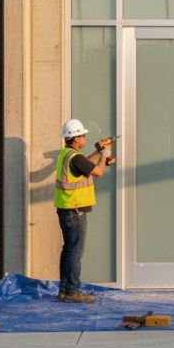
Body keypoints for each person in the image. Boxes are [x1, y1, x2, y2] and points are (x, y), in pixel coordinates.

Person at [53, 118, 114, 303]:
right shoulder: (74, 157)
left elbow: (85, 165)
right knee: (75, 252)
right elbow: (98, 172)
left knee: (69, 249)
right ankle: (72, 291)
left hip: (66, 209)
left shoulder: (68, 154)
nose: (85, 137)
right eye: (82, 135)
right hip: (75, 211)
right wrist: (104, 155)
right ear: (75, 138)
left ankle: (64, 290)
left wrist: (97, 151)